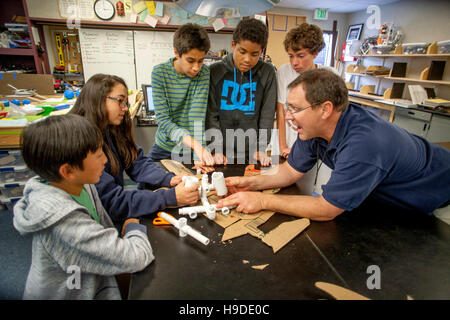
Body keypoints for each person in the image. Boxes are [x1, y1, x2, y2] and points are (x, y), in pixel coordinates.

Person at [217, 69, 450, 221]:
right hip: (388, 191)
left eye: (295, 109)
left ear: (325, 109)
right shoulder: (313, 129)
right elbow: (290, 171)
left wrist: (263, 200)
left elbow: (326, 209)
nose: (288, 117)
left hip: (439, 191)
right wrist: (252, 183)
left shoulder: (364, 145)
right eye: (288, 107)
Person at [13, 114, 154, 299]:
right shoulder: (63, 222)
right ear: (68, 170)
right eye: (98, 155)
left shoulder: (82, 184)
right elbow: (136, 257)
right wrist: (133, 228)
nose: (106, 159)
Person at [70, 74, 199, 222]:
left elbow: (135, 161)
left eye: (126, 103)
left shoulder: (110, 129)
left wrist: (169, 179)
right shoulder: (81, 143)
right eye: (120, 101)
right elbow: (113, 202)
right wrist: (170, 197)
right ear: (98, 98)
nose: (125, 108)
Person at [148, 23, 224, 172]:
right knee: (146, 186)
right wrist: (196, 145)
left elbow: (197, 115)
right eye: (191, 61)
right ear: (177, 53)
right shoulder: (159, 73)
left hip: (190, 150)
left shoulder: (203, 74)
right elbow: (164, 120)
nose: (196, 67)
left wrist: (198, 152)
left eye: (201, 61)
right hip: (164, 147)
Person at [206, 18, 277, 167]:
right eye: (242, 52)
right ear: (233, 45)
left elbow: (267, 114)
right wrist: (216, 148)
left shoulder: (267, 73)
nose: (247, 59)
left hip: (251, 152)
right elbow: (211, 114)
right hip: (221, 152)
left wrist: (261, 148)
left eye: (254, 54)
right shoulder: (215, 71)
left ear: (261, 52)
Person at [272, 22, 338, 159]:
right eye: (291, 56)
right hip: (288, 142)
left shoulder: (329, 75)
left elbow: (332, 118)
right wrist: (283, 146)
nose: (294, 62)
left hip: (316, 145)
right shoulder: (284, 72)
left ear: (315, 53)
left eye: (301, 56)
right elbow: (281, 111)